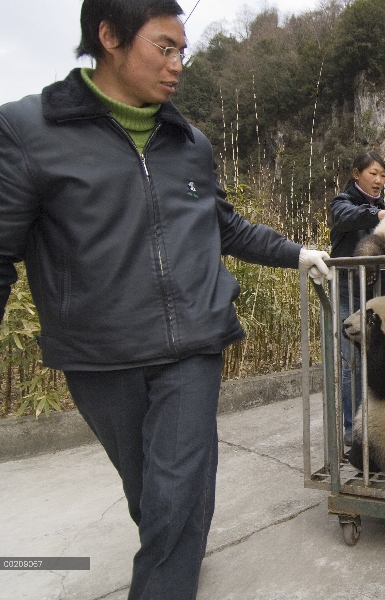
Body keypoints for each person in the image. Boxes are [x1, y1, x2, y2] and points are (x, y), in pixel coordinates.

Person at [0, 1, 331, 597]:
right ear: (108, 37)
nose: (178, 64)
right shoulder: (28, 132)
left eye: (183, 50)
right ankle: (173, 554)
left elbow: (224, 225)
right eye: (164, 47)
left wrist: (296, 253)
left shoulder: (189, 142)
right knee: (151, 493)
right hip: (99, 353)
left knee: (179, 486)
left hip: (195, 343)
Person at [329, 151, 385, 446]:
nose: (378, 180)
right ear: (356, 174)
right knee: (352, 362)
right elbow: (347, 219)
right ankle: (352, 428)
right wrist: (378, 215)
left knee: (382, 359)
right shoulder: (342, 204)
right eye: (373, 173)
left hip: (379, 297)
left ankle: (379, 424)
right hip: (347, 294)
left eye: (382, 175)